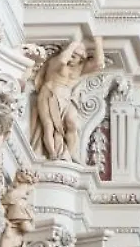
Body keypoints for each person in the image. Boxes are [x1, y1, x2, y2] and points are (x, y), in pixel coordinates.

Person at [33, 34, 104, 163]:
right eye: (71, 55)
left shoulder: (79, 69)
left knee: (72, 124)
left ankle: (68, 156)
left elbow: (99, 64)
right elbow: (62, 60)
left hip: (67, 99)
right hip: (50, 95)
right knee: (49, 126)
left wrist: (98, 42)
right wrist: (73, 45)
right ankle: (53, 154)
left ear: (81, 59)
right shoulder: (56, 62)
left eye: (75, 57)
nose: (71, 58)